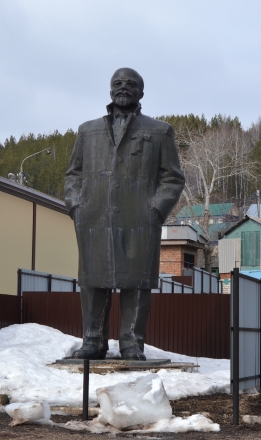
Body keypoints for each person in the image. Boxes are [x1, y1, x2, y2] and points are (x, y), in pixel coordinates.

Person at [64, 68, 184, 361]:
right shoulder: (87, 130)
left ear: (141, 92)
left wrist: (155, 210)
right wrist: (76, 205)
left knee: (137, 283)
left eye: (130, 84)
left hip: (140, 219)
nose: (123, 87)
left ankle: (131, 343)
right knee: (93, 281)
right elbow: (74, 174)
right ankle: (93, 341)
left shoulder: (159, 130)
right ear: (110, 90)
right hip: (94, 218)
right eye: (117, 83)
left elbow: (172, 177)